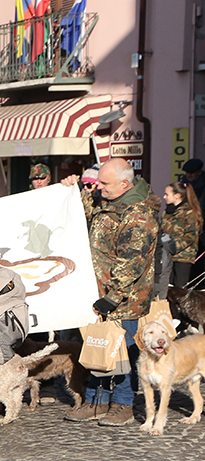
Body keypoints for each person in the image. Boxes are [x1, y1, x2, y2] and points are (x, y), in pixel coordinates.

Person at [64, 158, 157, 427]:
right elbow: (85, 213)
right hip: (100, 294)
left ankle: (124, 404)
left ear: (125, 184)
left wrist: (112, 298)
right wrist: (74, 190)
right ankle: (96, 401)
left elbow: (132, 262)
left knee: (123, 353)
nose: (99, 187)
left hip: (123, 300)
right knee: (99, 349)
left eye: (104, 183)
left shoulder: (139, 215)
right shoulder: (110, 203)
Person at [161, 182, 201, 289]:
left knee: (179, 290)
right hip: (167, 257)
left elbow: (191, 236)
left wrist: (173, 246)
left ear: (177, 196)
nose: (164, 197)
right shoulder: (167, 212)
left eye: (167, 194)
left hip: (183, 258)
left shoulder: (189, 213)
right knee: (166, 288)